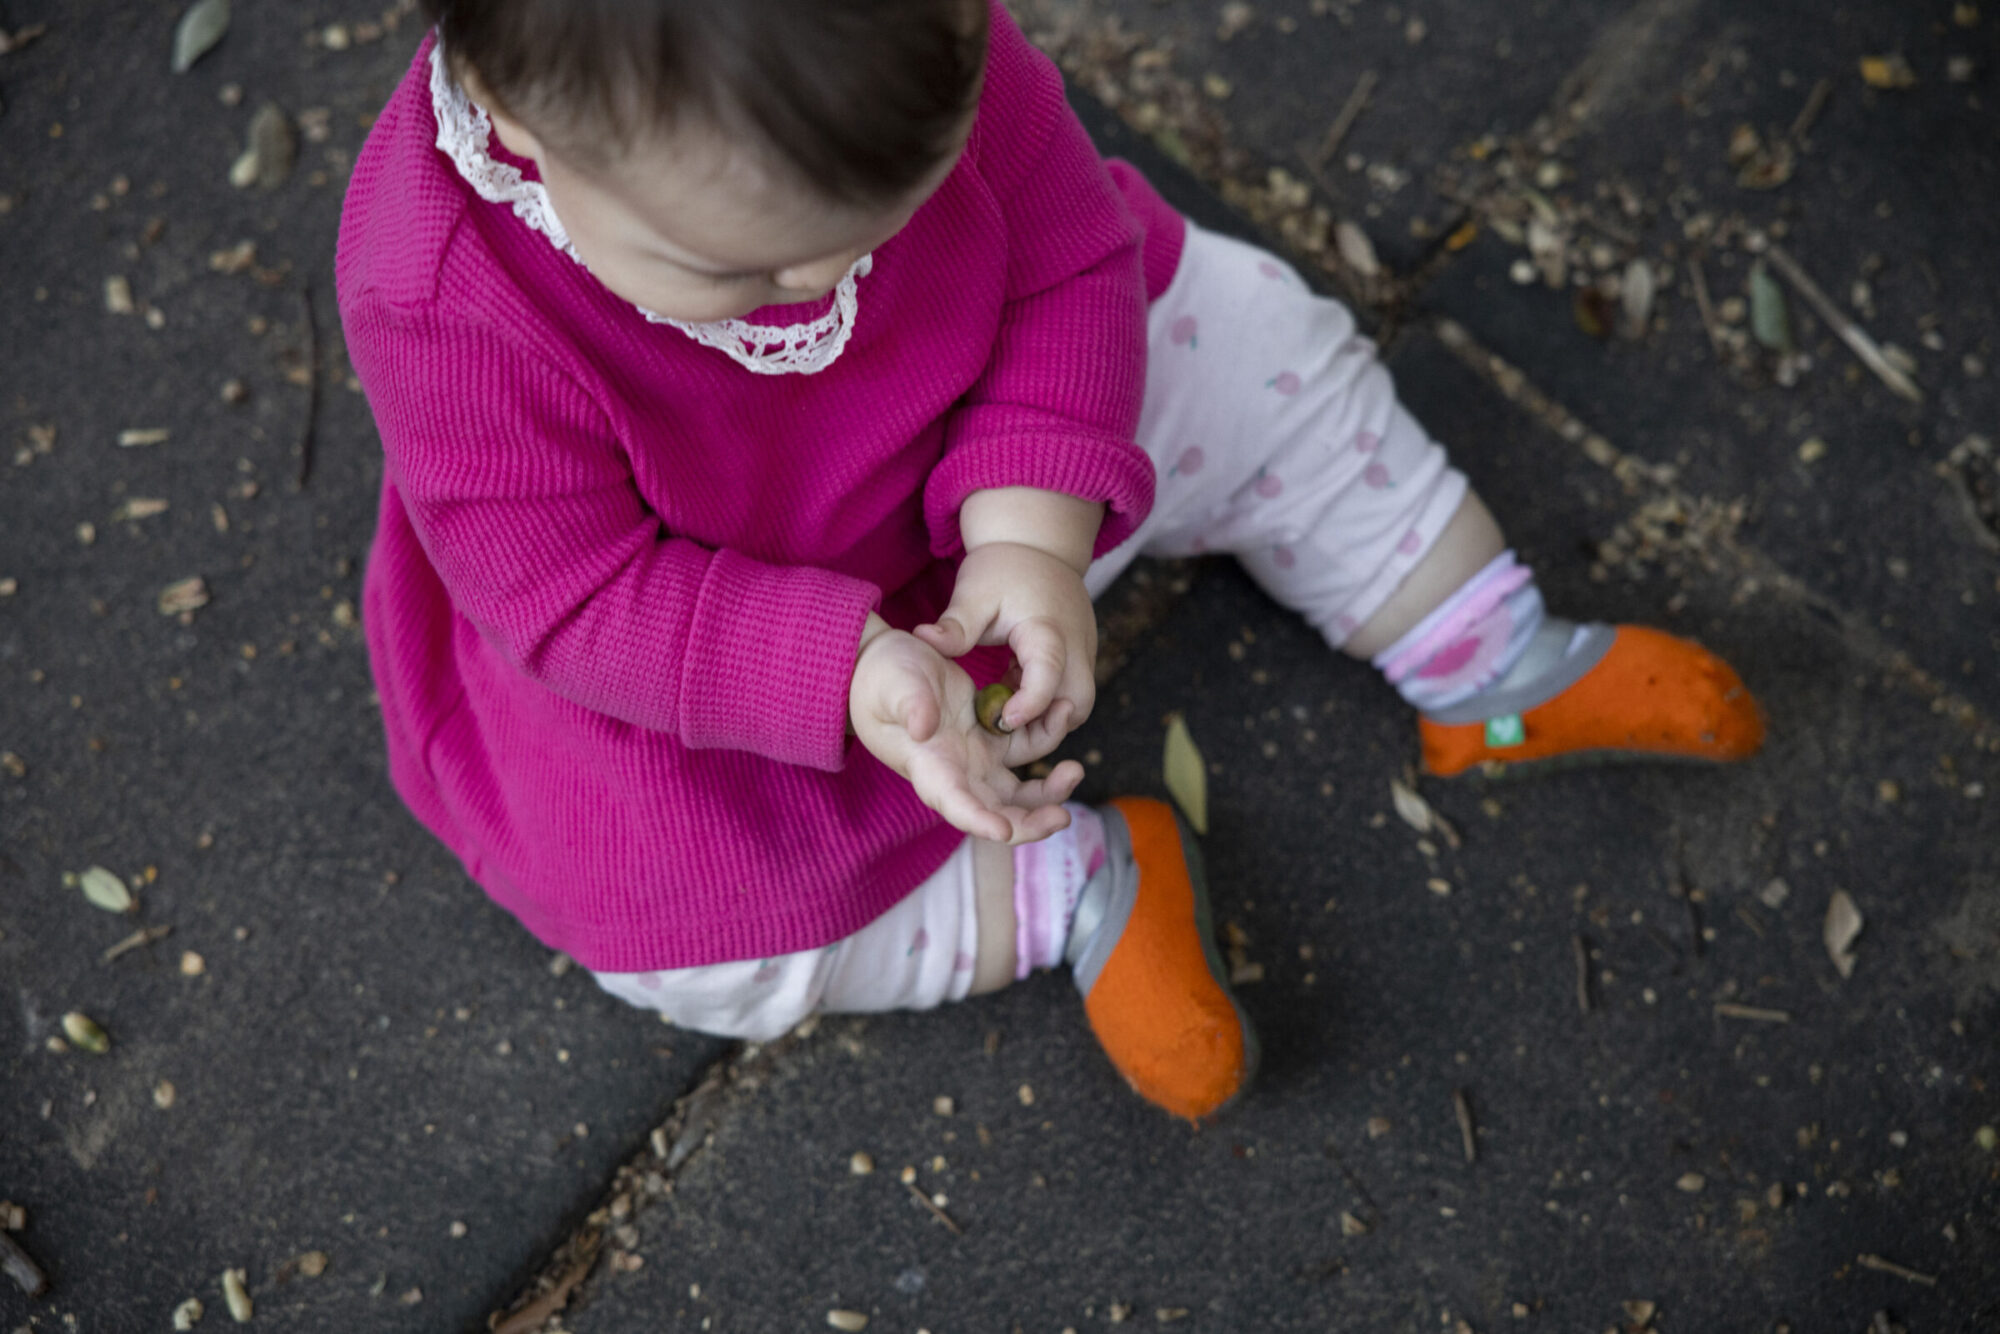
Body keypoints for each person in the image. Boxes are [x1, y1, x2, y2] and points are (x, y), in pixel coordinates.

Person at [336, 0, 1763, 1122]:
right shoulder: (443, 295)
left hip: (1015, 418)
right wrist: (839, 666)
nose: (832, 281)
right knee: (684, 940)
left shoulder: (903, 37)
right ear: (521, 124)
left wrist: (1030, 522)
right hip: (733, 615)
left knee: (1257, 339)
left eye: (897, 203)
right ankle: (1063, 887)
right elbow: (575, 590)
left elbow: (1069, 252)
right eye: (748, 272)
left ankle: (1476, 650)